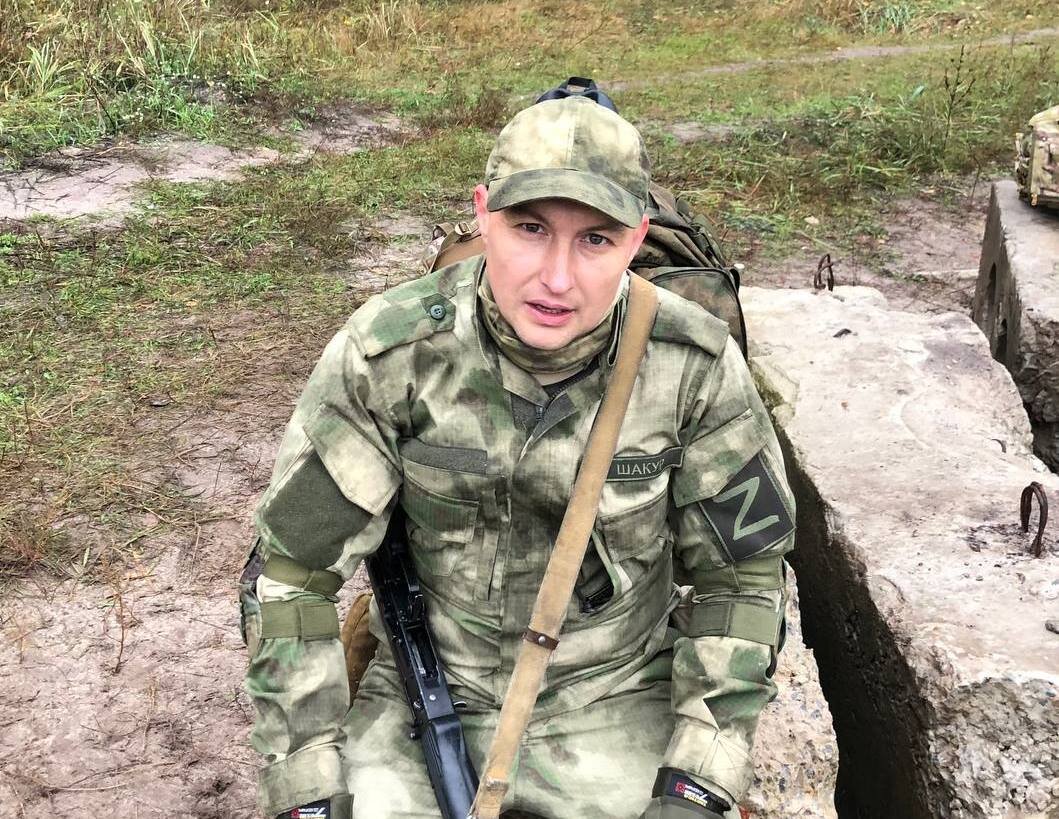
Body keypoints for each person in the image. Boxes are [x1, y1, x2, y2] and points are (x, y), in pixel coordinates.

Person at [240, 94, 795, 819]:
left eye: (595, 240)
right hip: (427, 695)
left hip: (614, 695)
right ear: (483, 216)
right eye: (530, 229)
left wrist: (698, 779)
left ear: (636, 239)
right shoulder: (391, 356)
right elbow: (291, 576)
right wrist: (306, 785)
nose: (557, 278)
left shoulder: (692, 365)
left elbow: (741, 583)